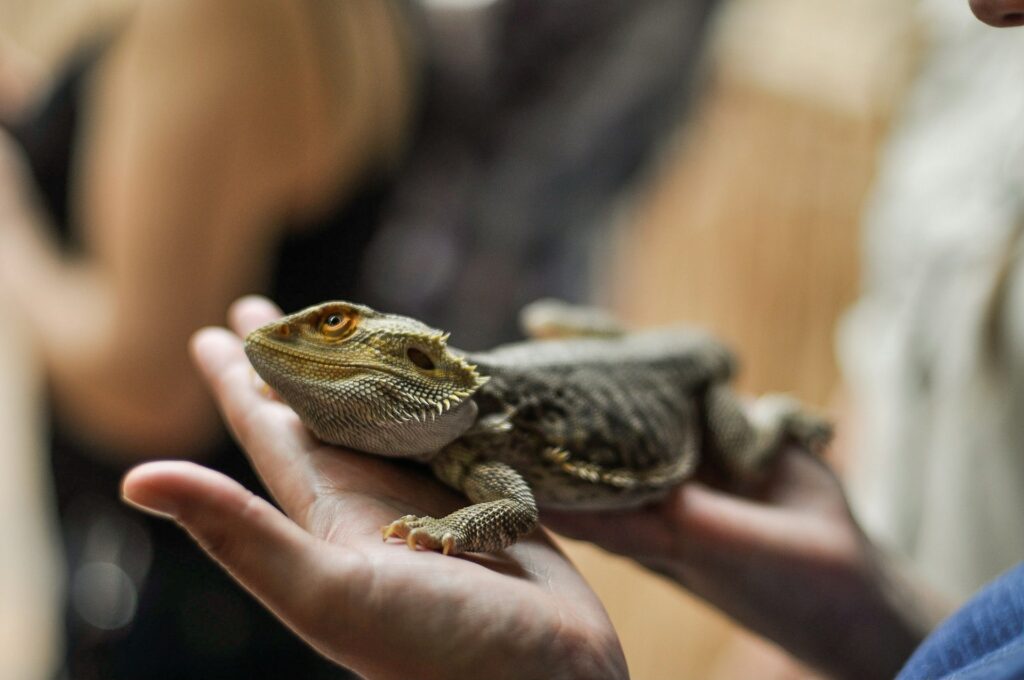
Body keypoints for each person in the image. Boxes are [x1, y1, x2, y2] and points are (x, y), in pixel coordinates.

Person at [122, 1, 1024, 676]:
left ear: (419, 364)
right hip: (619, 370)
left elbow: (509, 510)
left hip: (684, 384)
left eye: (336, 331)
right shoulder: (968, 66)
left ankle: (773, 420)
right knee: (548, 327)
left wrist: (445, 535)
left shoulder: (483, 452)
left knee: (744, 446)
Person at [0, 1, 718, 676]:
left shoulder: (217, 23)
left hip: (193, 587)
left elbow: (148, 394)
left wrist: (11, 225)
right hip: (293, 563)